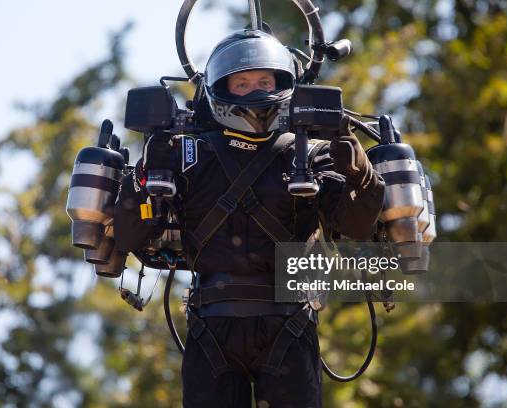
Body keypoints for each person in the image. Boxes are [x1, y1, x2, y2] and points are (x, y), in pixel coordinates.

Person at [114, 29, 385, 408]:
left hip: (290, 324)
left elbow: (357, 228)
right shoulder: (183, 151)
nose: (256, 90)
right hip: (212, 327)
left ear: (284, 82)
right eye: (242, 82)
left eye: (264, 80)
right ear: (221, 88)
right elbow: (128, 239)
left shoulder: (318, 151)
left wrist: (361, 173)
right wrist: (142, 179)